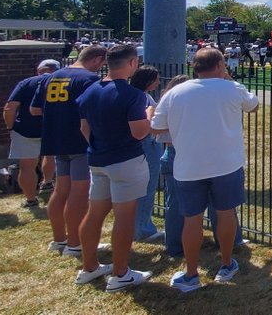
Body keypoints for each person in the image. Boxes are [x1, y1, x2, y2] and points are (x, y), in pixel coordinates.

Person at [151, 48, 258, 292]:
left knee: (192, 219)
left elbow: (156, 127)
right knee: (226, 213)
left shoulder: (176, 92)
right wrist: (229, 79)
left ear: (194, 66)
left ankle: (191, 273)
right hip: (226, 164)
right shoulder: (232, 88)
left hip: (188, 165)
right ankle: (226, 263)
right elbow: (252, 106)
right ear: (221, 64)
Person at [74, 44, 152, 290]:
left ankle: (89, 267)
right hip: (126, 160)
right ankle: (120, 273)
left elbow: (84, 129)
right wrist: (150, 113)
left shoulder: (90, 91)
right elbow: (139, 132)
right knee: (124, 217)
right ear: (131, 63)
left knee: (95, 213)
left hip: (98, 159)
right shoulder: (133, 95)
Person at [32, 44, 106, 256]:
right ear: (96, 59)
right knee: (79, 192)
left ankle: (59, 239)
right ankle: (75, 243)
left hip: (55, 139)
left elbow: (34, 109)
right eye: (101, 63)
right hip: (79, 141)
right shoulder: (88, 80)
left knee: (61, 189)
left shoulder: (50, 77)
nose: (100, 68)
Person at [3, 58, 60, 207]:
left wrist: (10, 126)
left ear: (38, 70)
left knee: (27, 166)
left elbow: (10, 107)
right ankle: (47, 182)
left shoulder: (26, 83)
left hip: (27, 129)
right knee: (50, 155)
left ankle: (31, 199)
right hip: (53, 127)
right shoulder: (61, 82)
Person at [129, 65, 164, 243]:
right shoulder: (143, 98)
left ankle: (137, 225)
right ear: (148, 81)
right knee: (147, 186)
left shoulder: (134, 95)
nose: (158, 82)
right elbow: (147, 125)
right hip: (148, 144)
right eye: (156, 78)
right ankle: (142, 228)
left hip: (139, 146)